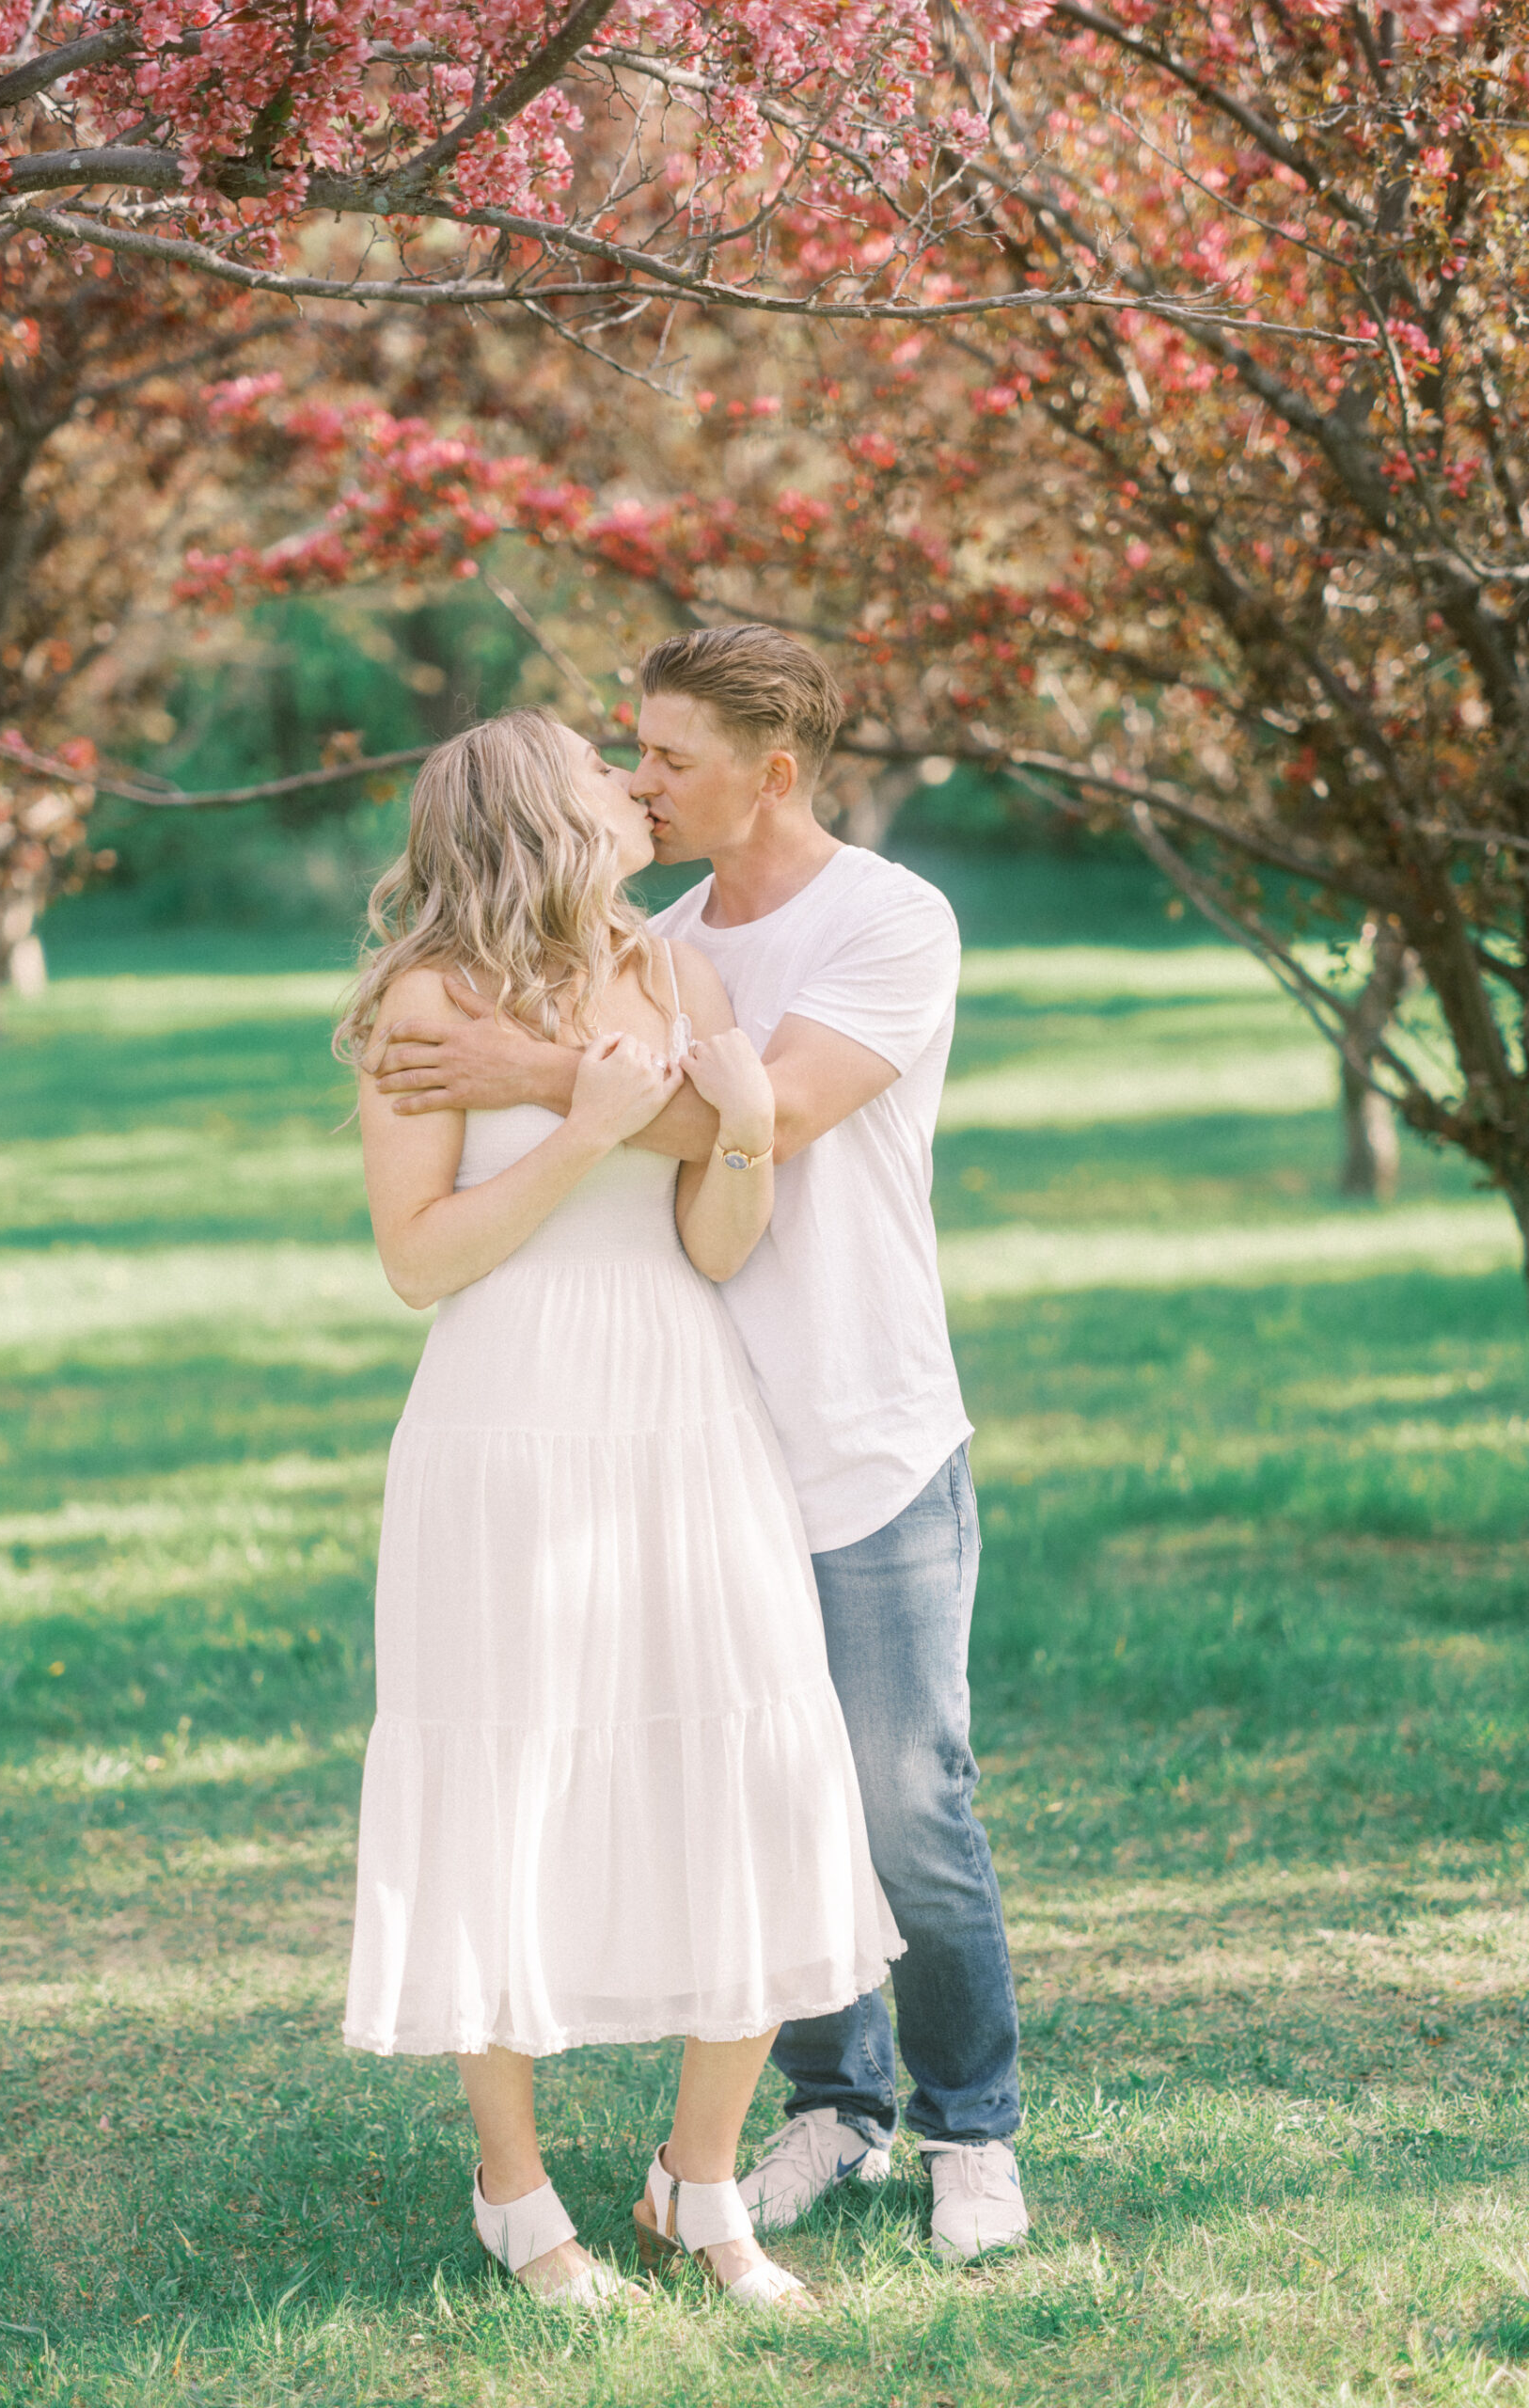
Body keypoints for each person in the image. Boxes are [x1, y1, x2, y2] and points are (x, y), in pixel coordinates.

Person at [370, 626, 1031, 2264]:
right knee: (720, 1774)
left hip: (854, 1419)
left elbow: (773, 1126)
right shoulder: (648, 941)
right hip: (646, 1424)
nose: (641, 779)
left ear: (771, 771)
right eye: (624, 758)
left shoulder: (886, 919)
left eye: (665, 756)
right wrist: (602, 1091)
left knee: (893, 1797)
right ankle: (820, 2114)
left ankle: (969, 2132)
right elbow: (505, 1210)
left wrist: (584, 1086)